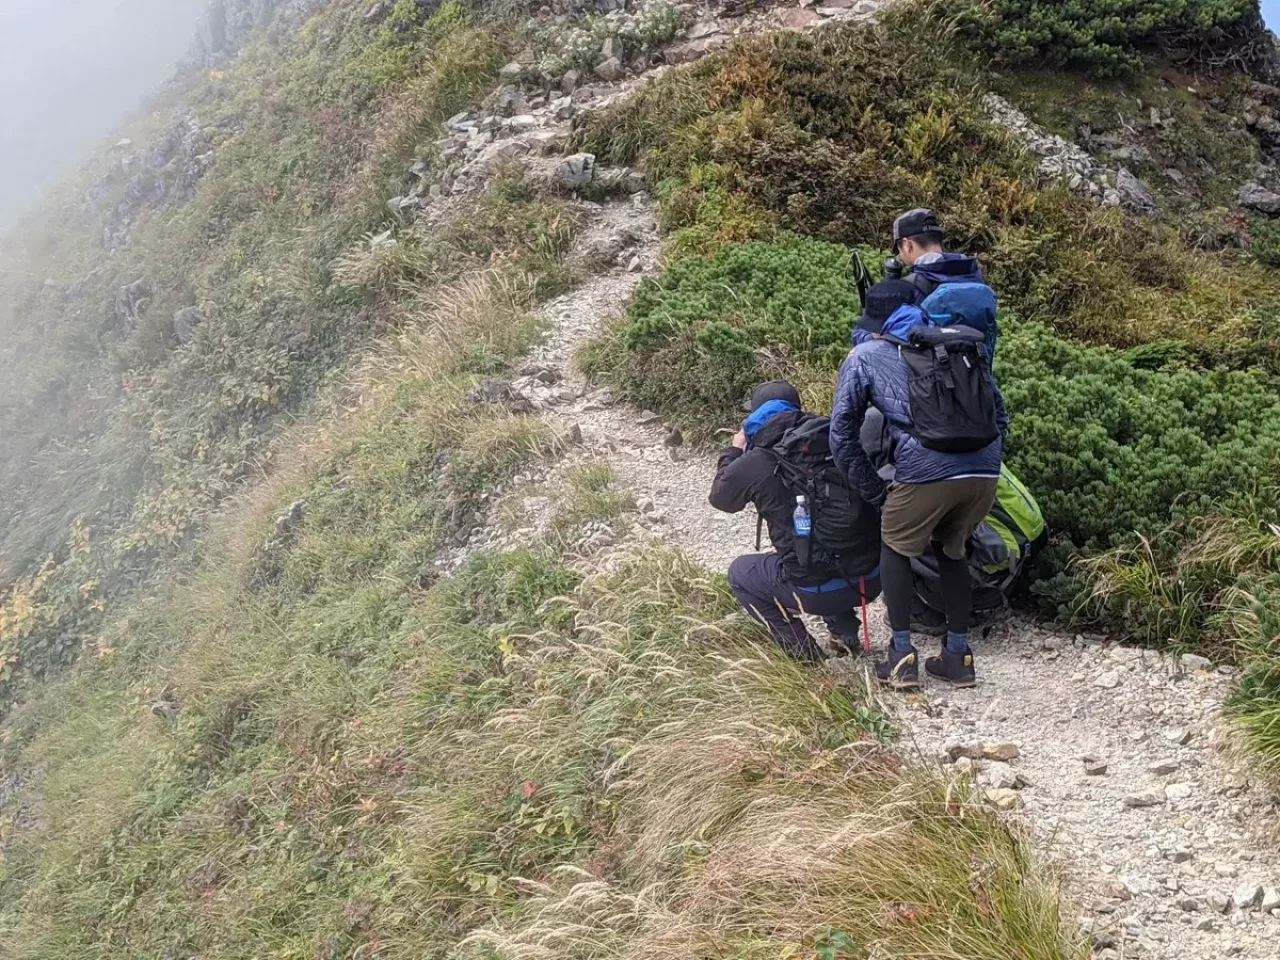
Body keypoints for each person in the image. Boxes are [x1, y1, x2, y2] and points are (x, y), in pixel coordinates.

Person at [831, 279, 1009, 689]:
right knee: (953, 549)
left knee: (895, 543)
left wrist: (875, 492)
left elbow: (841, 435)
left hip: (925, 474)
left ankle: (901, 658)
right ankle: (958, 657)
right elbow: (1000, 416)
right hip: (983, 474)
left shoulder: (865, 355)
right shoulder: (962, 347)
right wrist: (984, 464)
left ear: (875, 322)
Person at [711, 381, 882, 662]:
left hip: (816, 591)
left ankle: (807, 658)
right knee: (827, 533)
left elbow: (721, 499)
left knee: (741, 573)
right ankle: (844, 634)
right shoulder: (834, 437)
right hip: (873, 579)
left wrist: (734, 451)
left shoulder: (755, 460)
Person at [861, 408, 1046, 631]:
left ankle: (923, 614)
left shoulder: (906, 475)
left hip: (991, 577)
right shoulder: (957, 440)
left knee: (891, 535)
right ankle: (964, 608)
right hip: (1017, 558)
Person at [857, 209, 999, 359]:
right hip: (976, 372)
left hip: (927, 373)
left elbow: (877, 347)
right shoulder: (972, 276)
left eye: (899, 250)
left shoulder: (909, 288)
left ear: (907, 245)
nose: (900, 256)